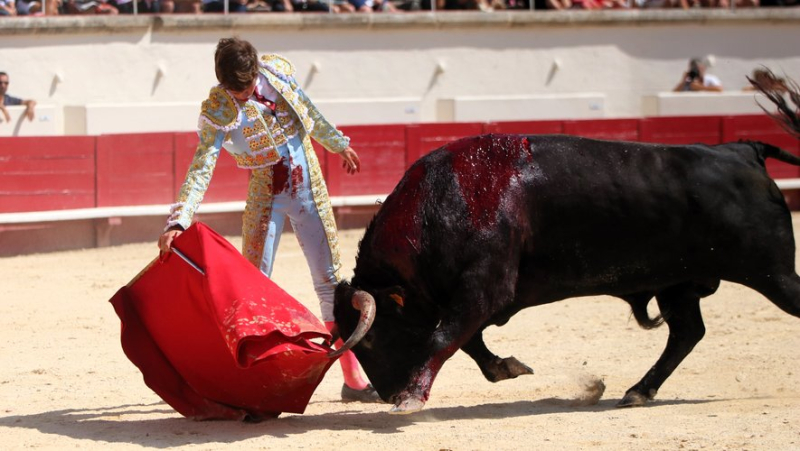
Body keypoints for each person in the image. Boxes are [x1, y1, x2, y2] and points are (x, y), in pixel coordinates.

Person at [158, 37, 381, 404]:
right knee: (254, 284)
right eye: (233, 90)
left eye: (245, 88)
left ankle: (353, 379)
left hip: (309, 184)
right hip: (266, 197)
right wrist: (179, 219)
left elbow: (309, 110)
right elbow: (202, 166)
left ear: (256, 72)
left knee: (329, 283)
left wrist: (337, 143)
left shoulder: (277, 72)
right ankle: (252, 376)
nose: (241, 97)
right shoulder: (219, 108)